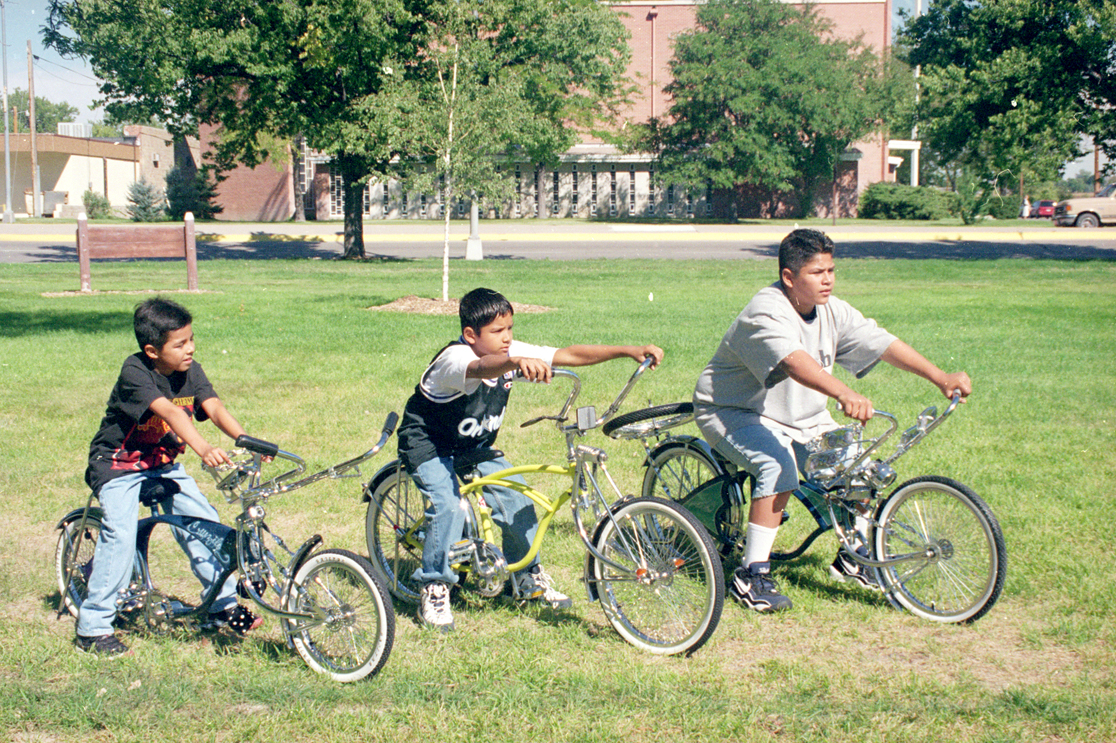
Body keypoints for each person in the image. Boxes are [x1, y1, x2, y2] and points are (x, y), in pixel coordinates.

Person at [692, 229, 971, 613]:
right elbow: (794, 362)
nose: (828, 280)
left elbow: (881, 342)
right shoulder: (765, 310)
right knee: (778, 467)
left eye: (831, 270)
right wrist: (843, 392)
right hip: (734, 410)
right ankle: (751, 574)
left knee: (861, 467)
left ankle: (854, 556)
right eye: (817, 272)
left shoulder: (832, 310)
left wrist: (940, 377)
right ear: (789, 277)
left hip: (800, 415)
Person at [397, 287, 664, 632]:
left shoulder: (506, 351)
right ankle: (434, 585)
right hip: (429, 445)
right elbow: (481, 367)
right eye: (497, 331)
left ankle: (526, 577)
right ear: (470, 335)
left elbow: (568, 354)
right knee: (448, 507)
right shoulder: (455, 358)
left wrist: (627, 351)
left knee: (518, 498)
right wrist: (514, 363)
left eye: (510, 328)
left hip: (473, 445)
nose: (507, 338)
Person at [76, 297, 263, 657]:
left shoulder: (190, 370)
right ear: (152, 350)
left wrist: (247, 440)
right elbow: (172, 414)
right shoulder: (135, 372)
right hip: (117, 464)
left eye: (191, 339)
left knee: (204, 524)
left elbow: (214, 407)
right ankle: (93, 627)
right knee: (121, 534)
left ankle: (221, 606)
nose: (190, 348)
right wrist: (204, 448)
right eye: (179, 344)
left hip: (160, 463)